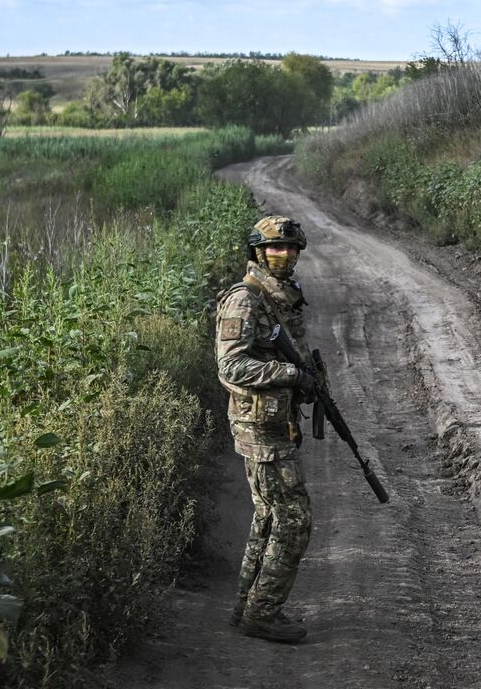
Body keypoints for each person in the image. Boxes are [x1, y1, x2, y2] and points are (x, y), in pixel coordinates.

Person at [215, 214, 322, 643]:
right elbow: (231, 366)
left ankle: (248, 606)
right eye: (276, 248)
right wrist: (291, 375)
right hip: (259, 424)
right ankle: (264, 611)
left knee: (269, 515)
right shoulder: (245, 300)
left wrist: (308, 379)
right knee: (296, 519)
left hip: (275, 421)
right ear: (258, 251)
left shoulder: (281, 296)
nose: (285, 255)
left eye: (291, 248)